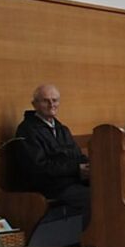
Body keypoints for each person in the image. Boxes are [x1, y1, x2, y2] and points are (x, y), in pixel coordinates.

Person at [14, 84, 91, 228]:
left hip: (71, 181)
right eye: (46, 101)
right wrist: (76, 169)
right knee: (94, 198)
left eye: (55, 100)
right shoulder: (27, 130)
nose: (51, 105)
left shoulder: (62, 129)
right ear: (34, 104)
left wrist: (88, 167)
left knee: (107, 190)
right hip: (49, 186)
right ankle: (88, 237)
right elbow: (39, 167)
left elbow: (77, 156)